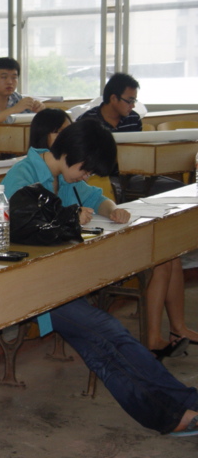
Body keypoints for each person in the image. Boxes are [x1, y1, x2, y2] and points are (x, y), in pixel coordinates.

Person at [0, 119, 198, 437]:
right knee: (108, 332)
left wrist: (112, 210)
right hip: (22, 284)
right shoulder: (23, 175)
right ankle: (180, 408)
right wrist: (68, 217)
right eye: (85, 170)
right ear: (70, 153)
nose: (85, 177)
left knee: (101, 346)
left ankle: (173, 413)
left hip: (57, 280)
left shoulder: (65, 176)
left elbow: (96, 197)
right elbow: (13, 230)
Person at [76, 73, 197, 355]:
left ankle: (178, 327)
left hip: (128, 184)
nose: (132, 106)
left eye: (134, 101)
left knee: (171, 250)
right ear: (112, 98)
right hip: (106, 183)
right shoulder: (89, 124)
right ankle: (156, 337)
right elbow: (95, 177)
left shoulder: (132, 120)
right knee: (161, 255)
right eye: (129, 101)